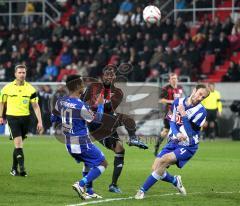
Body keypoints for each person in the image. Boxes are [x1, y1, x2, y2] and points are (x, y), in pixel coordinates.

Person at [135, 84, 210, 199]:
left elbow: (190, 133)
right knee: (156, 168)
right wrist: (176, 133)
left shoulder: (201, 112)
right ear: (194, 90)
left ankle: (142, 190)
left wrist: (184, 115)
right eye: (200, 94)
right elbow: (171, 121)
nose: (200, 98)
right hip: (174, 141)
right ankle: (175, 180)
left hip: (188, 145)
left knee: (164, 161)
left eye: (203, 97)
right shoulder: (177, 102)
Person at [83, 66, 148, 193]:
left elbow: (109, 107)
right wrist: (94, 105)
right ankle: (133, 138)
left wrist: (98, 103)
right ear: (103, 76)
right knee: (126, 118)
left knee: (120, 149)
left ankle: (113, 185)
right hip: (94, 125)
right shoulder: (93, 87)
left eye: (111, 75)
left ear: (114, 77)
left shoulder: (118, 92)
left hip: (107, 123)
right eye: (107, 74)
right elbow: (82, 103)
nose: (109, 77)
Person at [51, 74, 107, 200]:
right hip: (81, 142)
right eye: (82, 84)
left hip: (68, 143)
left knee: (88, 163)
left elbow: (53, 118)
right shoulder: (80, 105)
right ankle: (80, 184)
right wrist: (101, 105)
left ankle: (90, 191)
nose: (84, 86)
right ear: (77, 86)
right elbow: (97, 120)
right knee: (103, 163)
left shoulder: (60, 101)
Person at [0, 64, 43, 177]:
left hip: (25, 119)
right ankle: (22, 168)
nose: (22, 74)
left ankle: (14, 169)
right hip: (12, 118)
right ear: (15, 74)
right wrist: (0, 116)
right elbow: (2, 103)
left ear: (26, 74)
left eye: (23, 72)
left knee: (19, 145)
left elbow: (35, 106)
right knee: (18, 144)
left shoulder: (31, 89)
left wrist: (40, 121)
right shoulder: (7, 88)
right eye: (19, 72)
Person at [154, 73, 184, 156]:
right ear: (169, 80)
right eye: (172, 78)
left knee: (179, 131)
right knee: (166, 130)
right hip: (169, 112)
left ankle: (176, 150)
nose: (174, 80)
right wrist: (171, 102)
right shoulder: (166, 88)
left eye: (175, 78)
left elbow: (181, 99)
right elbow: (160, 100)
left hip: (178, 113)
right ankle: (157, 146)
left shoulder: (180, 88)